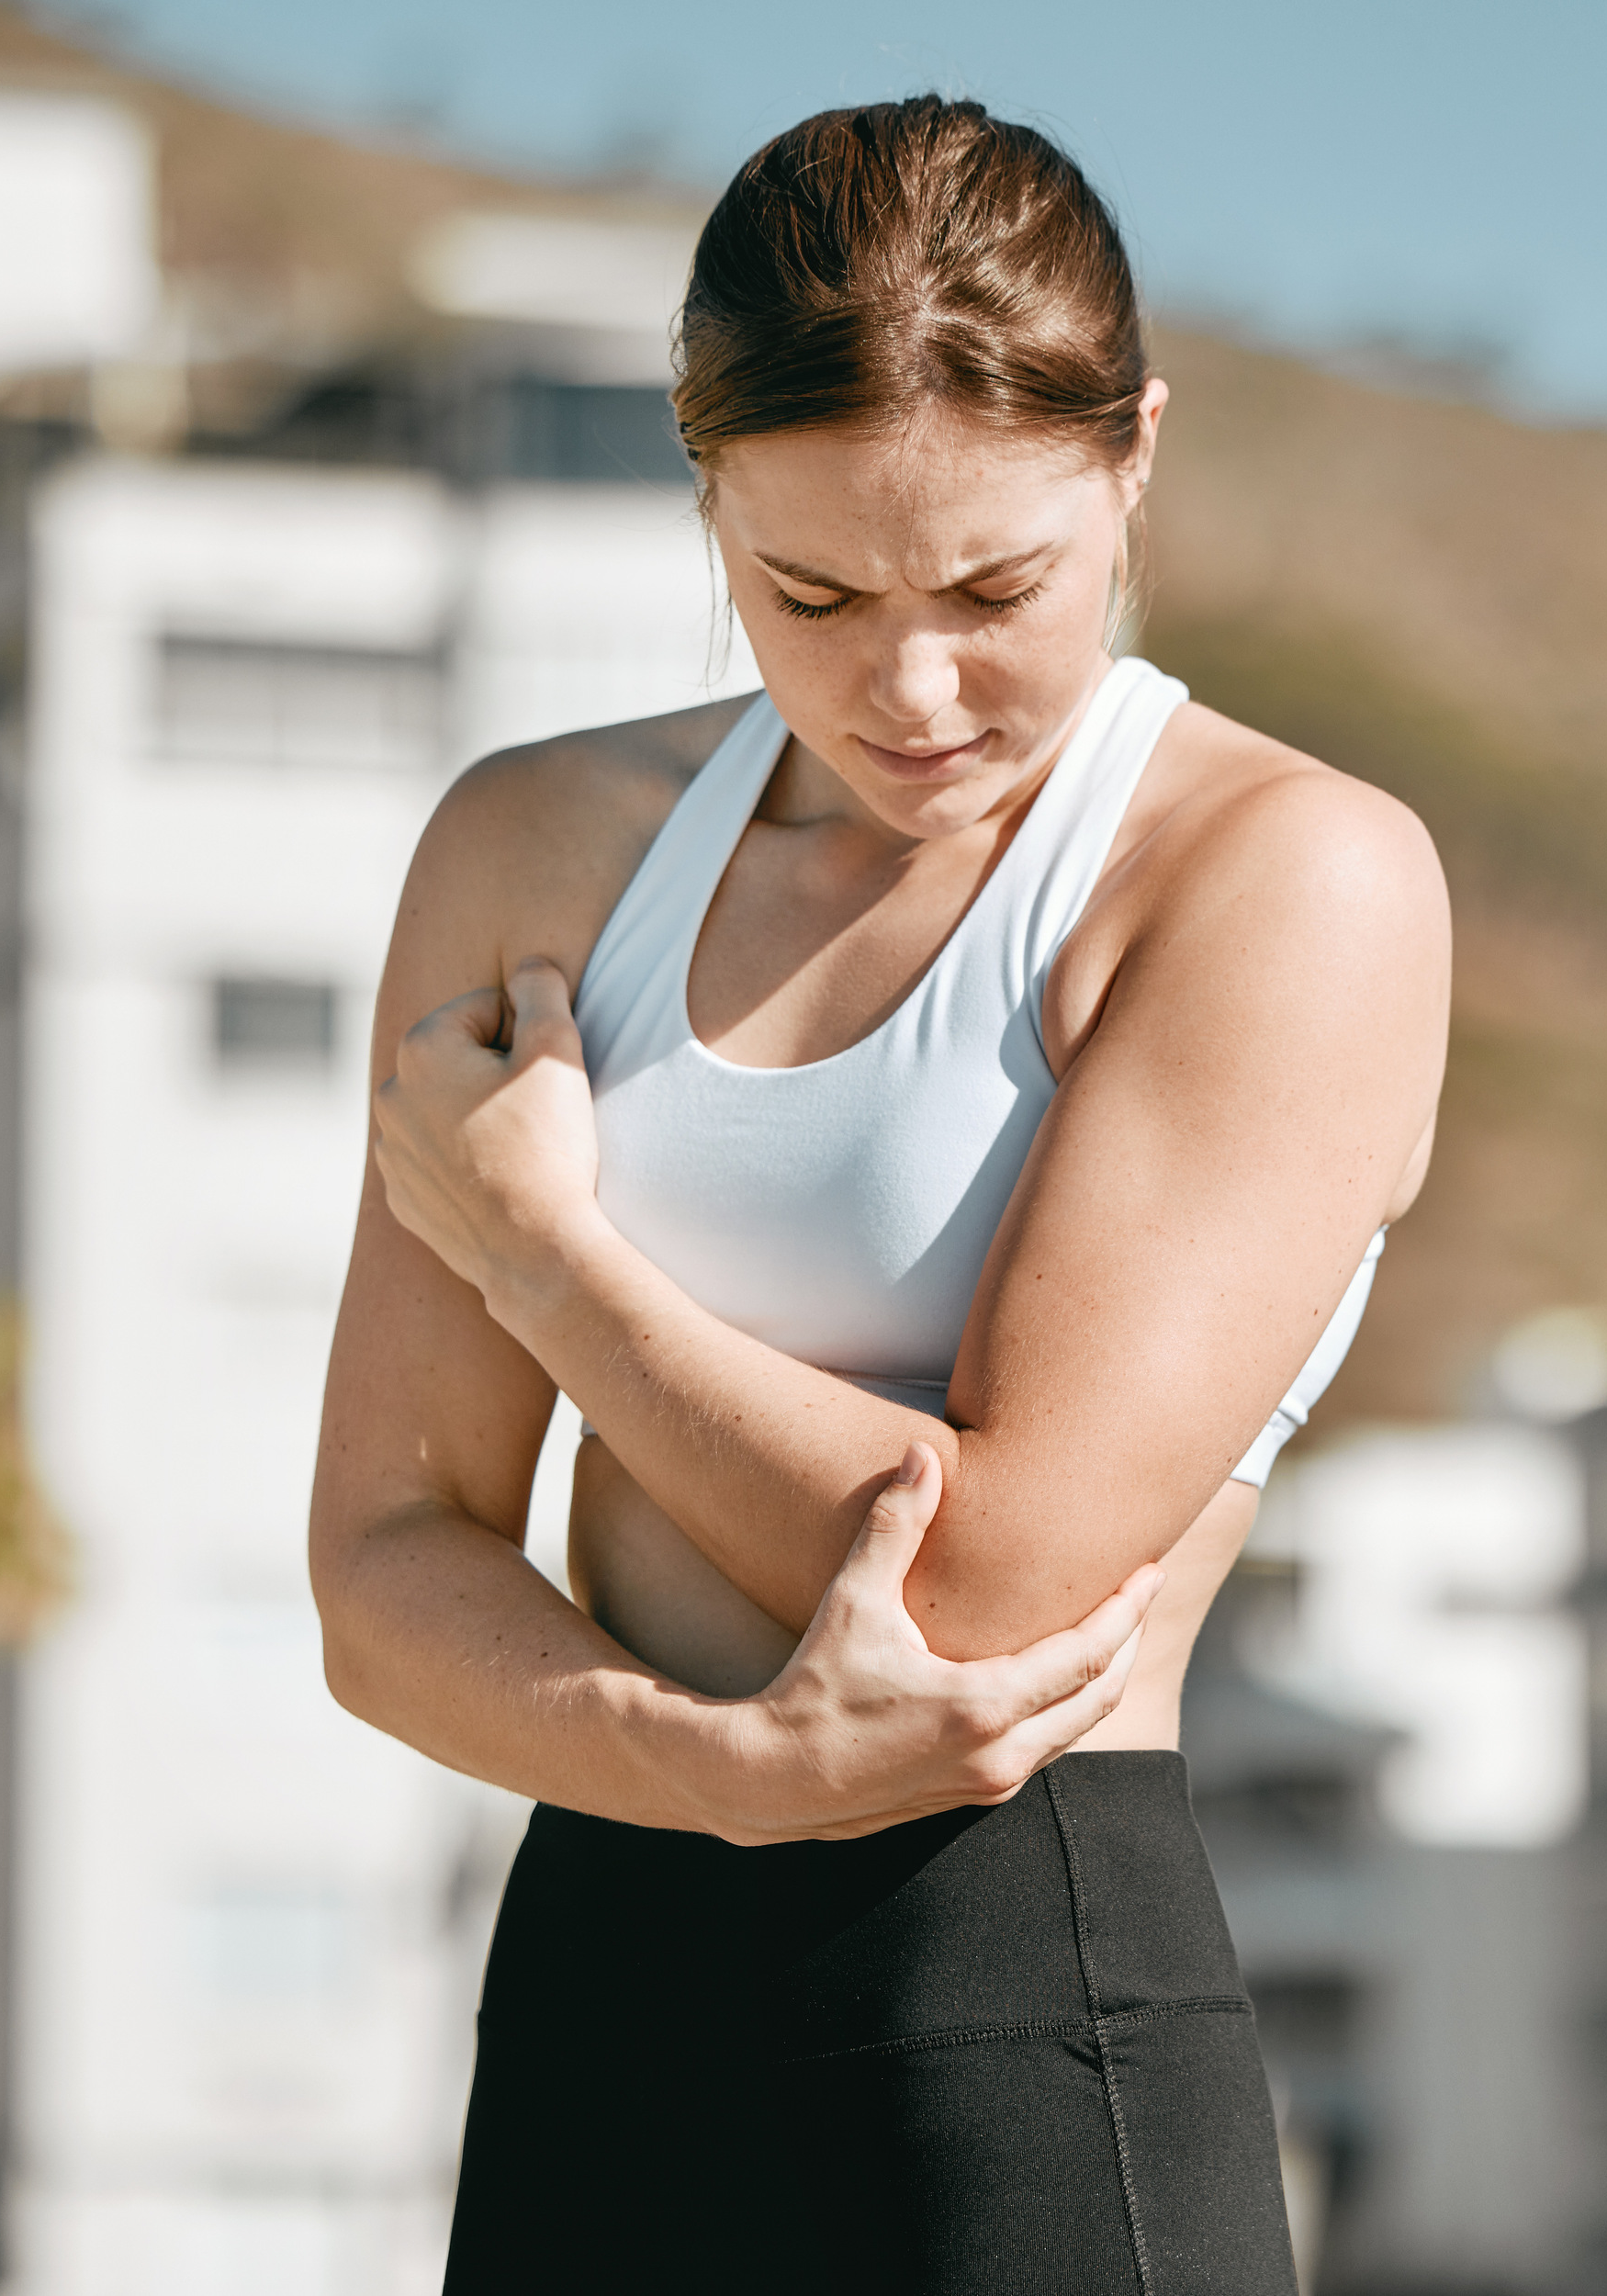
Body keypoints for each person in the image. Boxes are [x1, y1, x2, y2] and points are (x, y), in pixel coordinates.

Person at [307, 96, 1449, 2293]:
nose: (909, 687)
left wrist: (548, 1256)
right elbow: (380, 1567)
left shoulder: (1281, 874)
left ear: (1133, 461)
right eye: (808, 589)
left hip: (1015, 2008)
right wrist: (718, 1766)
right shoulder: (533, 848)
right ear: (704, 486)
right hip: (601, 1989)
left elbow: (997, 1574)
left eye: (996, 588)